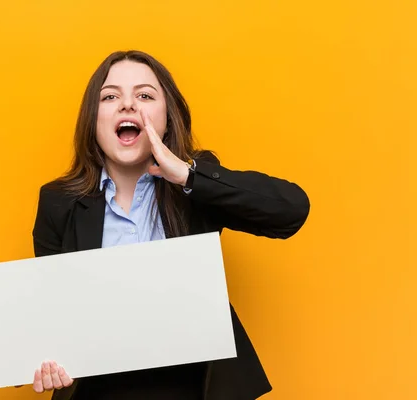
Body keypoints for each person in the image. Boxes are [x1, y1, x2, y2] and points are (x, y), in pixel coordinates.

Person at [26, 50, 310, 400]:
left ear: (167, 119)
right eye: (110, 96)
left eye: (144, 95)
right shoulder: (59, 202)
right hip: (98, 391)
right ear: (92, 119)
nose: (127, 105)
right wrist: (48, 360)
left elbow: (290, 211)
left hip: (193, 388)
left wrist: (189, 175)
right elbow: (53, 316)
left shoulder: (196, 185)